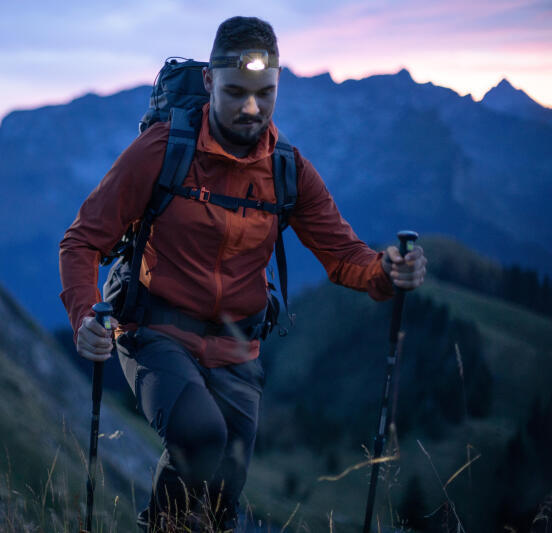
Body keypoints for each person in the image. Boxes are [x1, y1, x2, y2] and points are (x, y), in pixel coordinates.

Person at [59, 16, 427, 531]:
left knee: (219, 505)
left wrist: (388, 272)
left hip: (237, 351)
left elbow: (345, 258)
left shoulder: (287, 170)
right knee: (199, 436)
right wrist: (83, 315)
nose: (251, 108)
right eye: (235, 92)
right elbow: (82, 240)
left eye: (265, 94)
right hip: (153, 333)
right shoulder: (163, 151)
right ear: (209, 82)